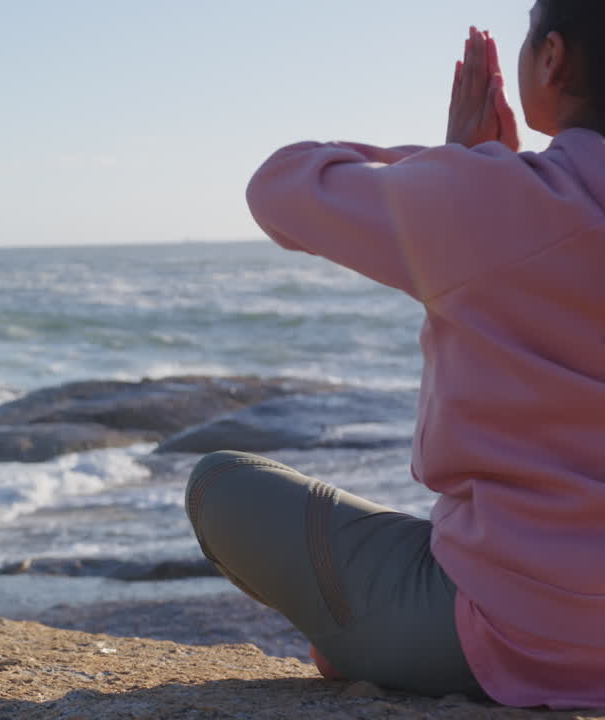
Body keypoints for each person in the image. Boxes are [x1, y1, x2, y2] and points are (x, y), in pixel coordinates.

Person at [186, 0, 605, 708]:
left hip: (511, 629)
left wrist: (456, 162)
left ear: (553, 57)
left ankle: (378, 645)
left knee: (221, 484)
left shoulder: (493, 197)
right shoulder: (504, 193)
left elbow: (282, 185)